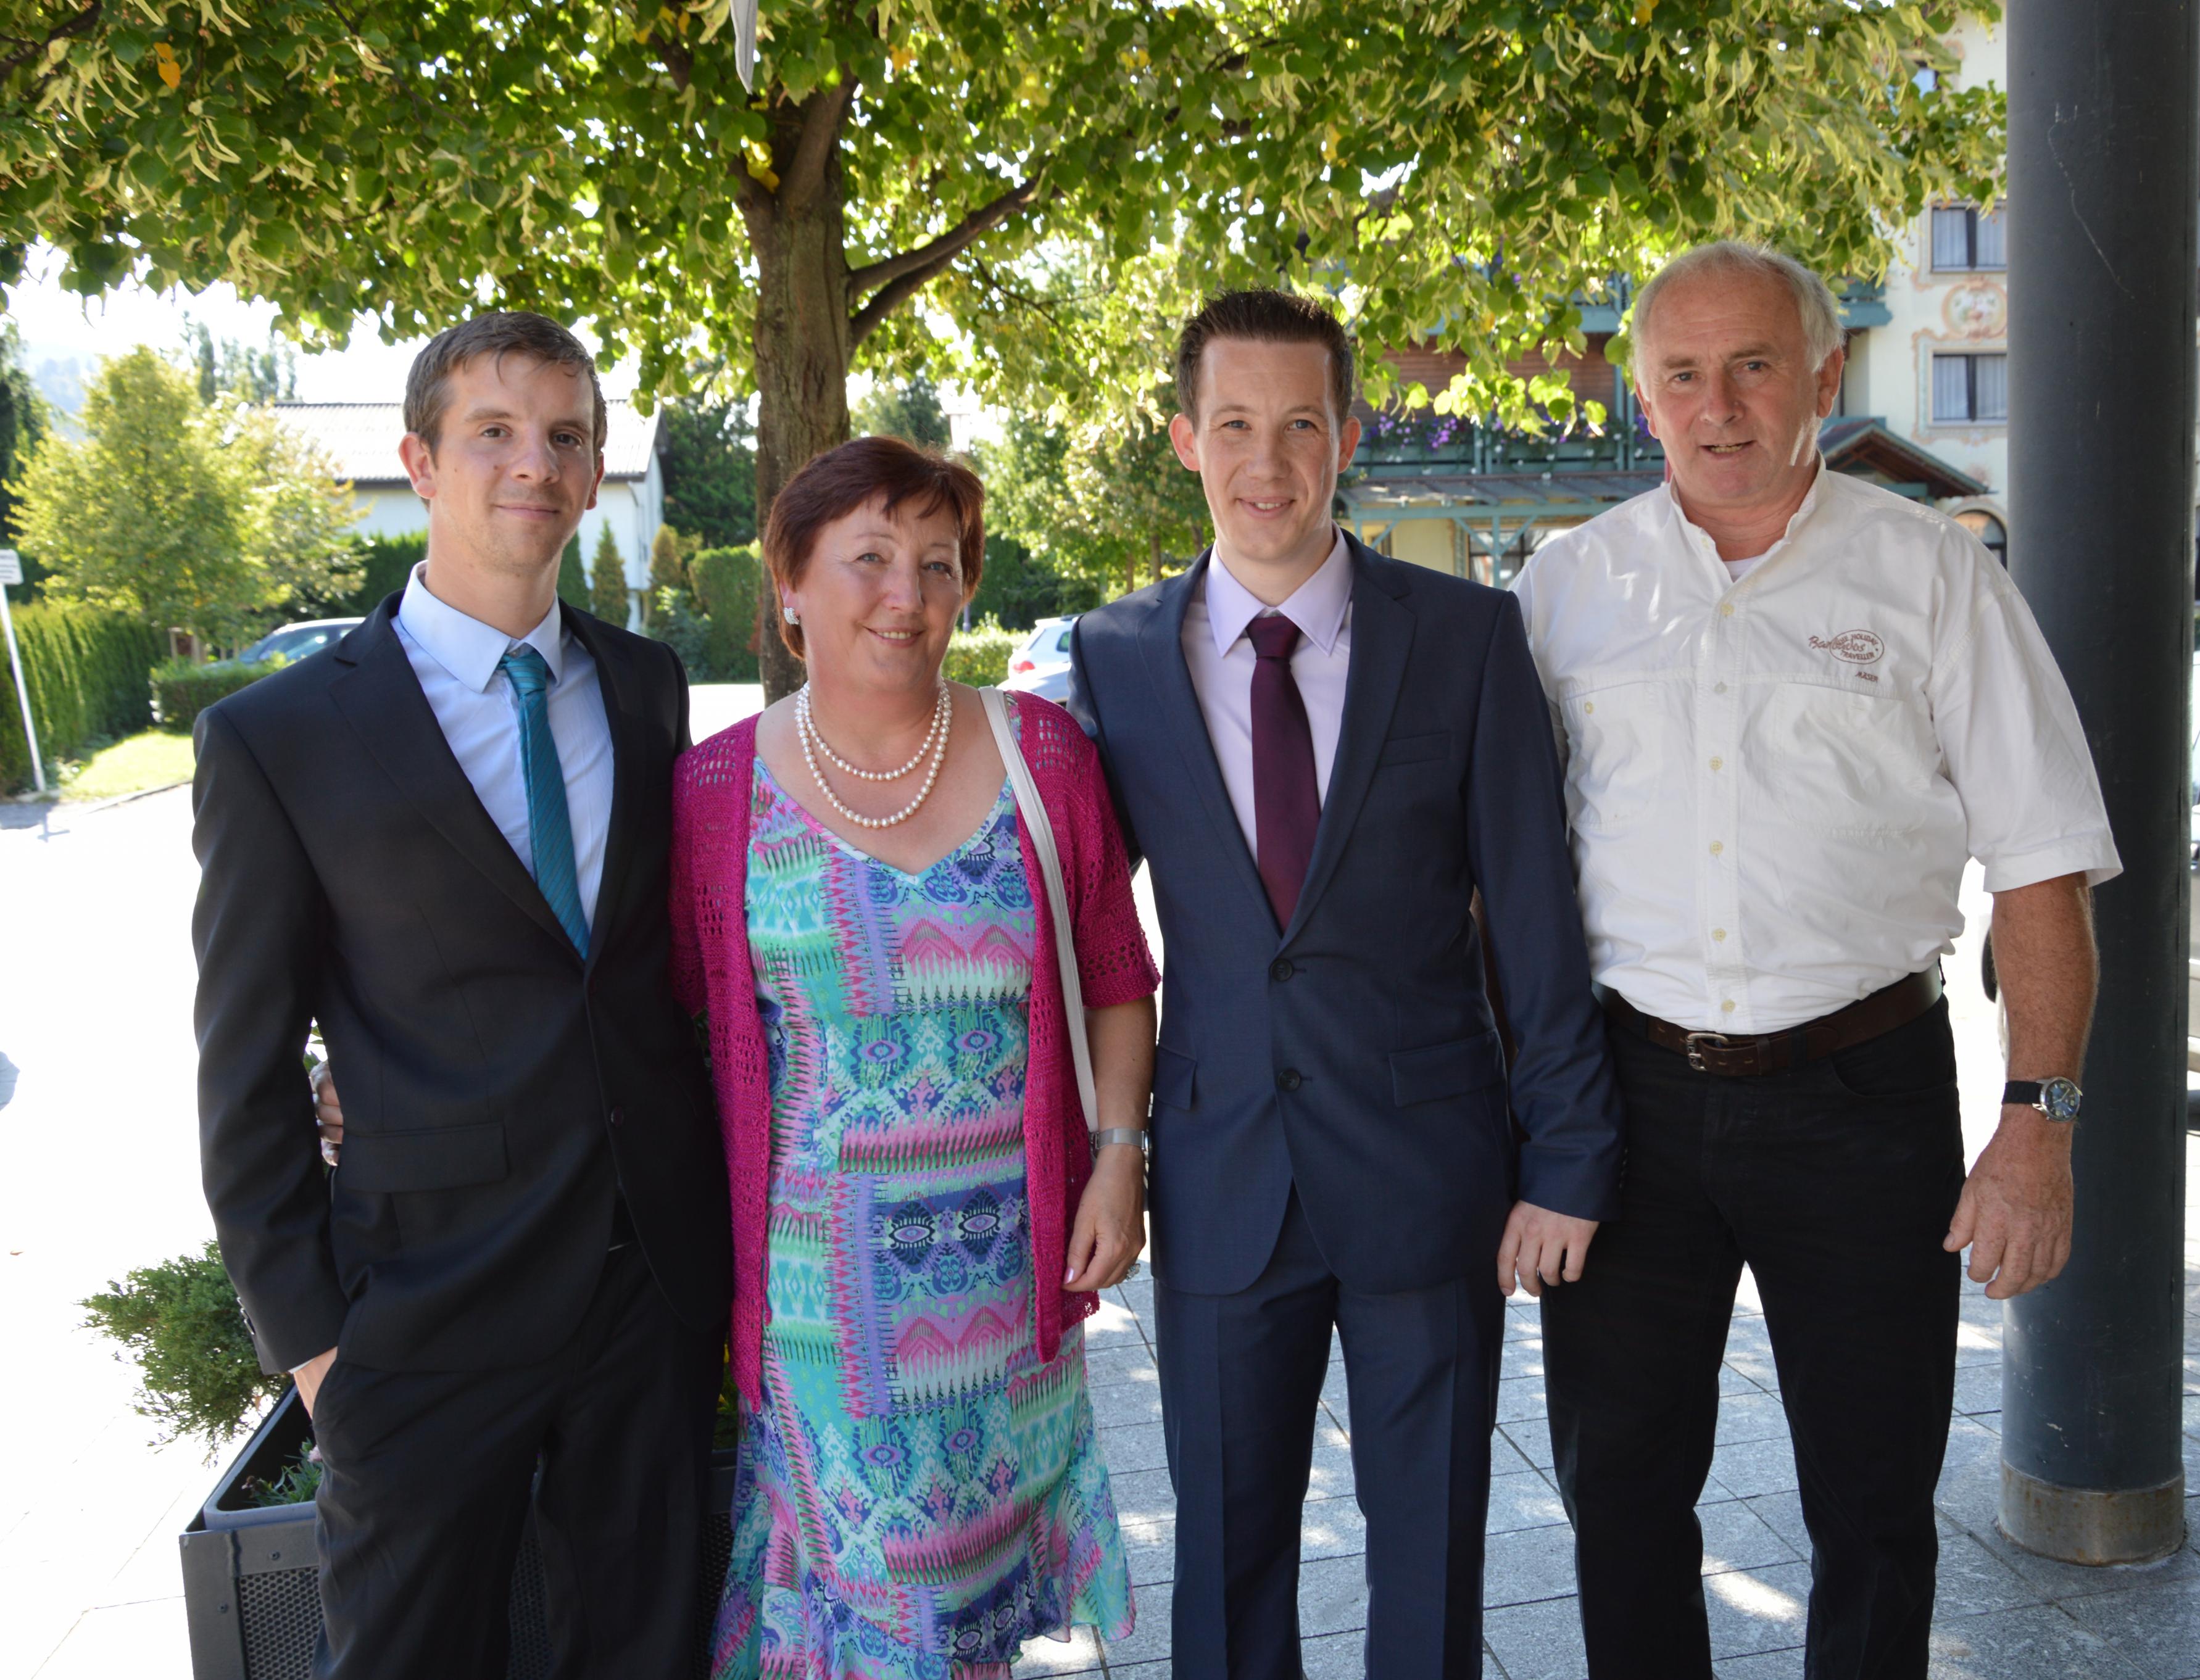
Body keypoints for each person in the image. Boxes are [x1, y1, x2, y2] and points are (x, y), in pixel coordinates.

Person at [1511, 241, 2119, 1679]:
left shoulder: (1935, 577)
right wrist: (1518, 1125)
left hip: (1863, 1095)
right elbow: (1497, 877)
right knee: (1618, 1495)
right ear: (1641, 395)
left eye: (1753, 365)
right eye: (1681, 375)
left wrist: (2036, 1125)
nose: (1717, 406)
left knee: (1873, 1502)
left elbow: (2040, 864)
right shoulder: (1565, 588)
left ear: (1824, 375)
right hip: (1627, 1101)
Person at [1066, 290, 1624, 1680]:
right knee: (1224, 1559)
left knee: (1430, 1558)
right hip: (1221, 1172)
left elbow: (1536, 921)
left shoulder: (1466, 637)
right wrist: (1099, 1153)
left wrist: (1567, 1158)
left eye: (1301, 426)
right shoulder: (1114, 658)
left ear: (1350, 435)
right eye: (1234, 425)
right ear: (1185, 440)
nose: (1268, 463)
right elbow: (1088, 936)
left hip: (1429, 1170)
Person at [193, 311, 730, 1678]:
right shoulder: (277, 739)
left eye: (566, 436)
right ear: (420, 462)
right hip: (422, 1318)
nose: (534, 463)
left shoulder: (645, 688)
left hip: (645, 1294)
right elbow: (244, 1073)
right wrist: (318, 1356)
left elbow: (639, 977)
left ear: (594, 470)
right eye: (493, 431)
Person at [670, 436, 1152, 1678]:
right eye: (871, 558)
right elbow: (671, 1029)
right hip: (819, 1302)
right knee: (872, 1614)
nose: (908, 594)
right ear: (788, 583)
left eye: (939, 564)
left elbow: (1115, 972)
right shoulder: (715, 792)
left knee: (972, 1616)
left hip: (1007, 1279)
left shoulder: (1042, 752)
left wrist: (1116, 1159)